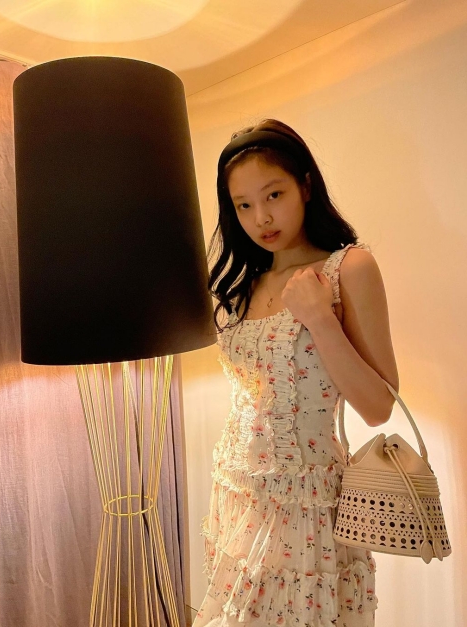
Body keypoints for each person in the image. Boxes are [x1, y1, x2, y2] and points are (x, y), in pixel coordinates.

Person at [192, 119, 399, 627]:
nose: (261, 217)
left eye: (274, 194)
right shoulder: (246, 283)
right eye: (243, 205)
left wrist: (320, 319)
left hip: (307, 504)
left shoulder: (348, 269)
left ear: (305, 186)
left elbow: (379, 407)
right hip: (238, 492)